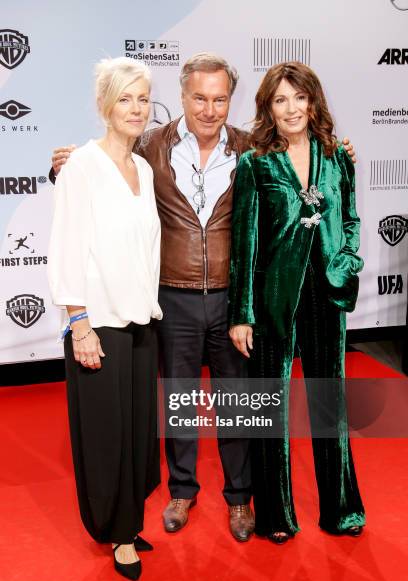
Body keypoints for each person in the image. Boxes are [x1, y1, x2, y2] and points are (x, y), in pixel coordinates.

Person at [50, 53, 356, 543]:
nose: (209, 109)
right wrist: (63, 165)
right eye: (199, 98)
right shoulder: (150, 144)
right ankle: (182, 489)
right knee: (179, 399)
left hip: (234, 299)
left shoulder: (252, 148)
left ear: (230, 101)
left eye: (219, 99)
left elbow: (301, 161)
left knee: (238, 401)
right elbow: (104, 174)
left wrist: (340, 151)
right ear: (182, 96)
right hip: (174, 294)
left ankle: (240, 498)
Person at [228, 61, 365, 543]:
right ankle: (276, 516)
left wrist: (345, 263)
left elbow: (350, 219)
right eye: (280, 100)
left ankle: (342, 509)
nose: (291, 109)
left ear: (313, 101)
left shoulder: (337, 155)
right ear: (268, 107)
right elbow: (244, 244)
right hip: (273, 299)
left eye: (299, 98)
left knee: (331, 404)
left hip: (325, 294)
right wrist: (241, 314)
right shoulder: (255, 163)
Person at [48, 57, 162, 580]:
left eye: (142, 98)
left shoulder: (142, 168)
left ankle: (129, 519)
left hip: (141, 321)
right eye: (125, 98)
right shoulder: (82, 166)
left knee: (137, 433)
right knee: (106, 436)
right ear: (104, 105)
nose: (136, 108)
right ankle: (118, 536)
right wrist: (80, 323)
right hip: (100, 325)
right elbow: (68, 246)